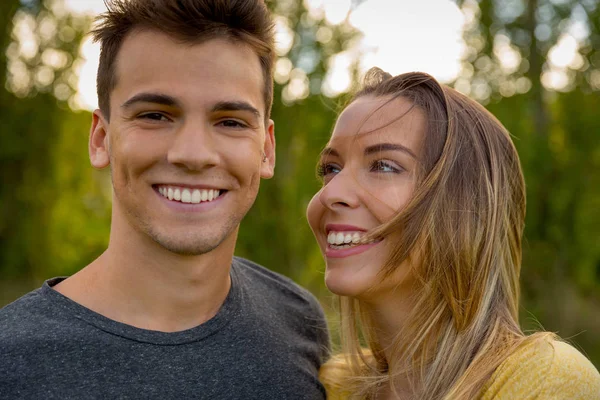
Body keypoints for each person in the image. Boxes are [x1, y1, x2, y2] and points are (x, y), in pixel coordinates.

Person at [0, 0, 329, 398]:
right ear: (101, 139)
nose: (193, 154)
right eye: (155, 115)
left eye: (230, 122)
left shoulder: (298, 320)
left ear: (266, 150)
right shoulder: (12, 363)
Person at [307, 68, 600, 399]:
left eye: (384, 165)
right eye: (331, 169)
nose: (330, 194)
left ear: (463, 205)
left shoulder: (546, 381)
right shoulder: (330, 385)